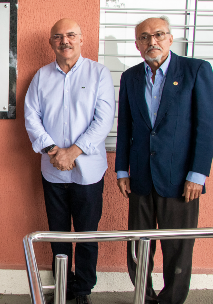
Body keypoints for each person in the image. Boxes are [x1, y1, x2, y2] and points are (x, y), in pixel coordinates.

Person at [115, 16, 213, 304]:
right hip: (141, 177)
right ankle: (144, 299)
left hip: (181, 178)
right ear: (137, 45)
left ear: (170, 39)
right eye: (144, 37)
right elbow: (125, 127)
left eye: (158, 34)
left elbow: (206, 126)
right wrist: (122, 169)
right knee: (138, 247)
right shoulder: (130, 77)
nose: (151, 41)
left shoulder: (196, 70)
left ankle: (171, 301)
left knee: (178, 249)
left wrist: (198, 174)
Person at [24, 18, 115, 304]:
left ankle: (83, 290)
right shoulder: (41, 76)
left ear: (81, 39)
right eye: (58, 36)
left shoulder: (99, 73)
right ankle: (63, 286)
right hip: (53, 171)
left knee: (88, 233)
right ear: (51, 42)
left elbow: (103, 121)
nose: (65, 41)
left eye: (71, 35)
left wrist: (73, 152)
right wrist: (54, 151)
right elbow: (31, 117)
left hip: (88, 171)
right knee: (58, 233)